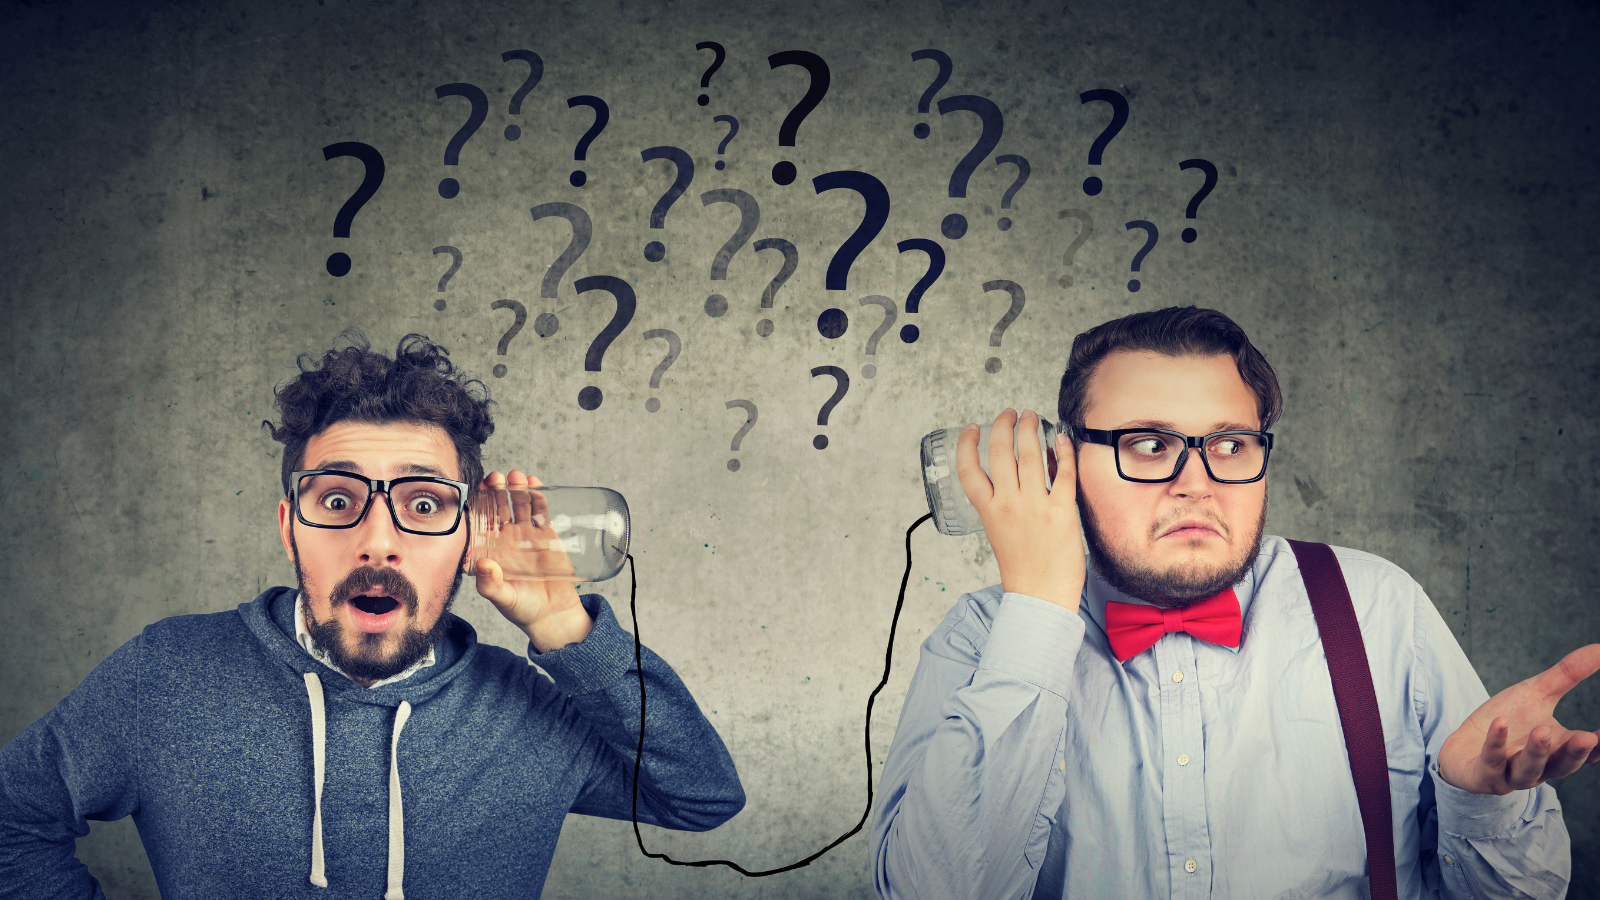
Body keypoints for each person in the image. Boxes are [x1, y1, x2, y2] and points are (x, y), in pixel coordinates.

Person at [870, 306, 1599, 899]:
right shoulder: (981, 639)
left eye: (1230, 444)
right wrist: (1038, 608)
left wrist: (1481, 801)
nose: (1197, 482)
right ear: (1061, 461)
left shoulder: (1377, 607)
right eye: (1148, 444)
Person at [0, 329, 745, 899]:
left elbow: (701, 796)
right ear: (290, 526)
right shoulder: (167, 676)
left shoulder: (529, 709)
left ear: (469, 536)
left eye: (425, 504)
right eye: (337, 500)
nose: (378, 541)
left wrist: (566, 632)